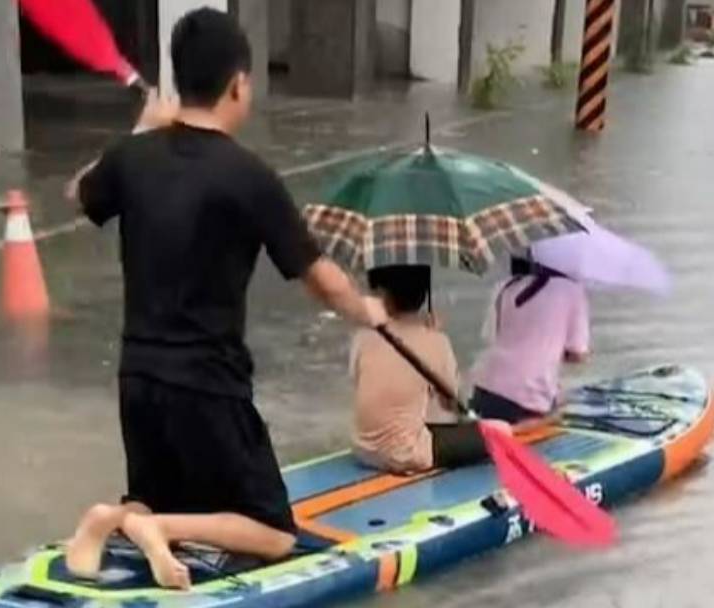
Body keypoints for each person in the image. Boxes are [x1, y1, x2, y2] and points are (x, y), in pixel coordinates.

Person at [61, 9, 387, 590]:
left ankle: (123, 518)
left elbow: (76, 194)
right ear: (238, 84)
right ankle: (153, 525)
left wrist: (140, 131)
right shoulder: (249, 175)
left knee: (153, 493)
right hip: (208, 385)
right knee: (275, 531)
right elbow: (319, 276)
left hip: (137, 380)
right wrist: (369, 312)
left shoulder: (133, 159)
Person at [351, 265, 501, 474]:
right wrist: (433, 337)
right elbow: (452, 401)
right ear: (424, 295)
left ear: (382, 293)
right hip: (406, 455)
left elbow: (362, 382)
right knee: (500, 431)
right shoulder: (436, 341)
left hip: (362, 450)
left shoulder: (363, 336)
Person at [470, 257, 590, 430]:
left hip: (485, 386)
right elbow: (578, 353)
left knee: (492, 448)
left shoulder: (504, 286)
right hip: (528, 396)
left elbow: (492, 336)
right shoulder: (571, 290)